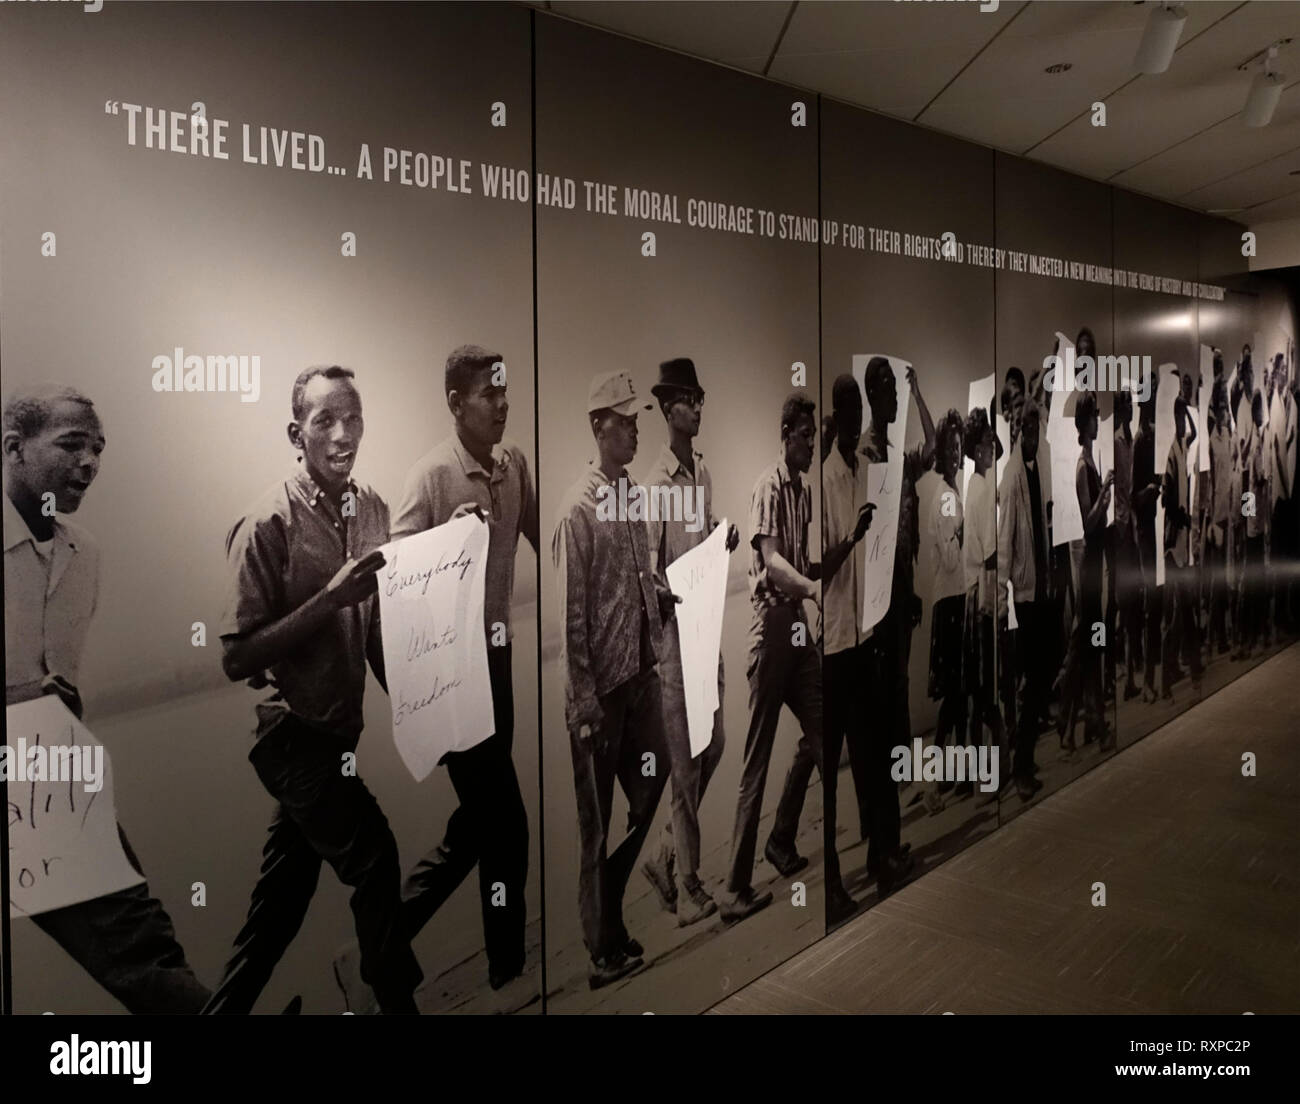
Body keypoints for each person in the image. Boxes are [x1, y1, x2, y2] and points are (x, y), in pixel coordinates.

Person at [204, 365, 421, 1014]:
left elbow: (383, 621)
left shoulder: (375, 508)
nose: (342, 432)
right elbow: (235, 657)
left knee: (275, 916)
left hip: (336, 735)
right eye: (324, 420)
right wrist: (329, 601)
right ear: (295, 433)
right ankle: (394, 1006)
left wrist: (424, 712)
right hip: (290, 736)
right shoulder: (267, 521)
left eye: (353, 417)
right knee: (375, 859)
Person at [333, 345, 535, 1008]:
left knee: (479, 826)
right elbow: (393, 586)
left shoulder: (514, 467)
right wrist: (440, 541)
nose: (503, 405)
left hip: (497, 663)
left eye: (505, 393)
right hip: (452, 676)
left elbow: (545, 535)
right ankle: (507, 968)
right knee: (506, 824)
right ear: (455, 403)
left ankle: (375, 950)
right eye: (488, 395)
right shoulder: (430, 477)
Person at [3, 385, 212, 1014]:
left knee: (139, 938)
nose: (90, 462)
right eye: (71, 444)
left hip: (47, 784)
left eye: (98, 449)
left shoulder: (83, 554)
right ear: (13, 449)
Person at [553, 370, 673, 989]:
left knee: (654, 786)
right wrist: (583, 706)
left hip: (639, 680)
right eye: (624, 421)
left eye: (635, 421)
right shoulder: (576, 510)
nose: (633, 430)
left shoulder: (632, 498)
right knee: (595, 828)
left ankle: (610, 904)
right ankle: (602, 948)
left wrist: (662, 599)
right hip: (598, 699)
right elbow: (572, 617)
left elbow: (638, 578)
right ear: (599, 427)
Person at [639, 358, 740, 928]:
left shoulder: (701, 474)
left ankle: (664, 856)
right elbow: (648, 572)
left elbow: (698, 544)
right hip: (675, 644)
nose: (699, 408)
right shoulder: (655, 486)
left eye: (700, 399)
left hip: (706, 635)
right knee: (685, 764)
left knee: (716, 745)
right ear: (668, 407)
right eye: (690, 400)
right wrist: (664, 599)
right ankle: (691, 886)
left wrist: (721, 537)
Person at [722, 389, 824, 923]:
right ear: (786, 434)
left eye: (814, 435)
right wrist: (811, 589)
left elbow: (802, 562)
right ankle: (734, 886)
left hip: (798, 629)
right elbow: (775, 562)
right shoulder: (768, 486)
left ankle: (781, 840)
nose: (812, 443)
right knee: (755, 759)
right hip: (771, 629)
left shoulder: (804, 492)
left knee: (825, 728)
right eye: (806, 435)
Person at [859, 358, 930, 896]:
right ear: (872, 395)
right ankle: (880, 852)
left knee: (896, 723)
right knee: (882, 730)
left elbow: (931, 449)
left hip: (899, 604)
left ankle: (889, 844)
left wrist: (919, 392)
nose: (893, 401)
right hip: (877, 618)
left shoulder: (896, 459)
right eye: (886, 391)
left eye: (895, 392)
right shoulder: (867, 455)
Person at [820, 375, 879, 925]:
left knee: (865, 752)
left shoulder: (861, 470)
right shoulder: (826, 480)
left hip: (860, 637)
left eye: (858, 404)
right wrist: (854, 539)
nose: (856, 414)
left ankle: (880, 855)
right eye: (848, 406)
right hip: (833, 642)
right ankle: (831, 880)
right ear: (836, 415)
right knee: (830, 768)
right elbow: (819, 568)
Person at [998, 402, 1050, 801]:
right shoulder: (1014, 475)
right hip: (1025, 595)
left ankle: (1025, 758)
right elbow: (1005, 542)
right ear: (1019, 432)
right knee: (1032, 682)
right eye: (1027, 429)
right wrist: (1004, 597)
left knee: (1039, 678)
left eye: (1035, 428)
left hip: (1040, 589)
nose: (1031, 435)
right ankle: (1019, 768)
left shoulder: (1034, 470)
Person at [961, 405, 1006, 794]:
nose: (993, 448)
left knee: (982, 692)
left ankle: (988, 772)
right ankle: (993, 769)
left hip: (978, 594)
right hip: (984, 597)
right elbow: (990, 552)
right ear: (977, 450)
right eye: (988, 442)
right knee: (985, 690)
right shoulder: (981, 490)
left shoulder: (974, 486)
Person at [926, 408, 966, 808]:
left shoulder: (953, 492)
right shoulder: (946, 498)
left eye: (958, 445)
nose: (955, 453)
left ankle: (950, 775)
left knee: (958, 694)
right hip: (950, 600)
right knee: (953, 695)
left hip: (957, 597)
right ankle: (936, 780)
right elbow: (952, 558)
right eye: (949, 446)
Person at [1069, 393, 1112, 748]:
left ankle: (1087, 721)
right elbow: (1088, 520)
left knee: (1090, 644)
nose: (1098, 420)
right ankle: (1083, 721)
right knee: (1086, 646)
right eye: (1094, 415)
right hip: (1090, 568)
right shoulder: (1084, 468)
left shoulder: (1089, 463)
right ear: (1084, 423)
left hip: (1096, 564)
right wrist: (1106, 493)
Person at [1161, 395, 1203, 698]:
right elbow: (1167, 501)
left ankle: (1191, 663)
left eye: (1181, 418)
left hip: (1181, 544)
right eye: (1177, 417)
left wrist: (1186, 412)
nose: (1180, 423)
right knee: (1178, 612)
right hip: (1173, 544)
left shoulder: (1182, 446)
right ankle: (1168, 676)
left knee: (1184, 610)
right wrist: (1185, 518)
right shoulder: (1170, 454)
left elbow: (1195, 432)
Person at [1132, 378, 1161, 703]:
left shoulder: (1151, 439)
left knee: (1155, 606)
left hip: (1153, 529)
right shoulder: (1141, 442)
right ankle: (1145, 679)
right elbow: (1133, 496)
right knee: (1146, 606)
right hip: (1142, 532)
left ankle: (1151, 676)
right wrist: (1148, 492)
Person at [1114, 387, 1143, 698]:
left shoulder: (1131, 442)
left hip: (1130, 529)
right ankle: (1122, 676)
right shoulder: (1114, 443)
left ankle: (1130, 676)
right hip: (1120, 533)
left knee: (1132, 604)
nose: (1131, 411)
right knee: (1123, 604)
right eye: (1127, 406)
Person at [1206, 378, 1234, 655]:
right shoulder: (1212, 441)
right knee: (1217, 582)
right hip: (1217, 518)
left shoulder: (1229, 436)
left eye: (1227, 408)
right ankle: (1216, 638)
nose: (1225, 413)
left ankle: (1220, 635)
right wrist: (1211, 522)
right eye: (1222, 408)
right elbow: (1211, 483)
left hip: (1231, 514)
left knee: (1226, 580)